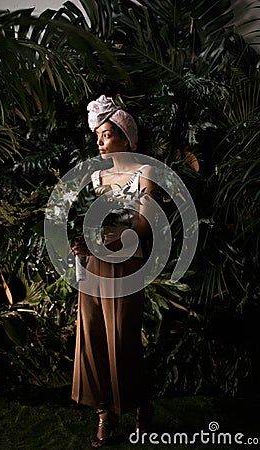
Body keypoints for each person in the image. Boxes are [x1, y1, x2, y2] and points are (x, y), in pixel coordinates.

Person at [71, 95, 155, 448]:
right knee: (91, 339)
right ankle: (105, 412)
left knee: (122, 339)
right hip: (93, 265)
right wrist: (84, 243)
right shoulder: (97, 176)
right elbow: (90, 221)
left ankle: (139, 405)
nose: (100, 142)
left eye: (106, 135)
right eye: (98, 136)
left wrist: (114, 243)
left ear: (124, 136)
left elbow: (145, 223)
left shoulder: (145, 171)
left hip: (126, 262)